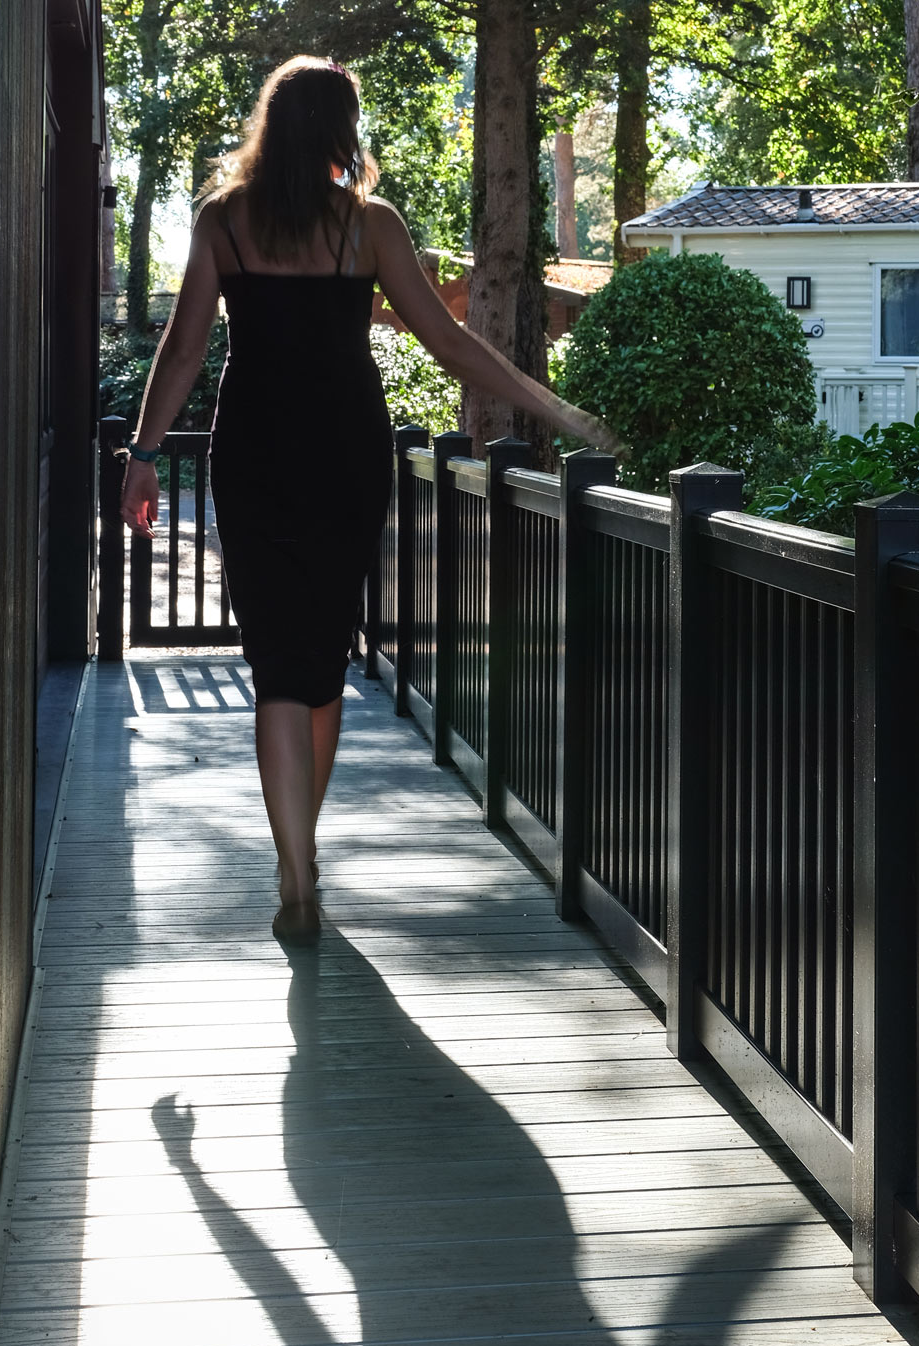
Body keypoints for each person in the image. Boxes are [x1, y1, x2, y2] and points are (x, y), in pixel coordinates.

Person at [121, 56, 612, 942]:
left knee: (275, 663)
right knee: (321, 660)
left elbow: (185, 350)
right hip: (345, 455)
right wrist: (559, 410)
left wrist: (144, 454)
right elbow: (452, 347)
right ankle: (306, 852)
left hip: (254, 456)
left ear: (273, 127)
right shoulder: (370, 226)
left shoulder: (223, 222)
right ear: (341, 132)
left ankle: (294, 869)